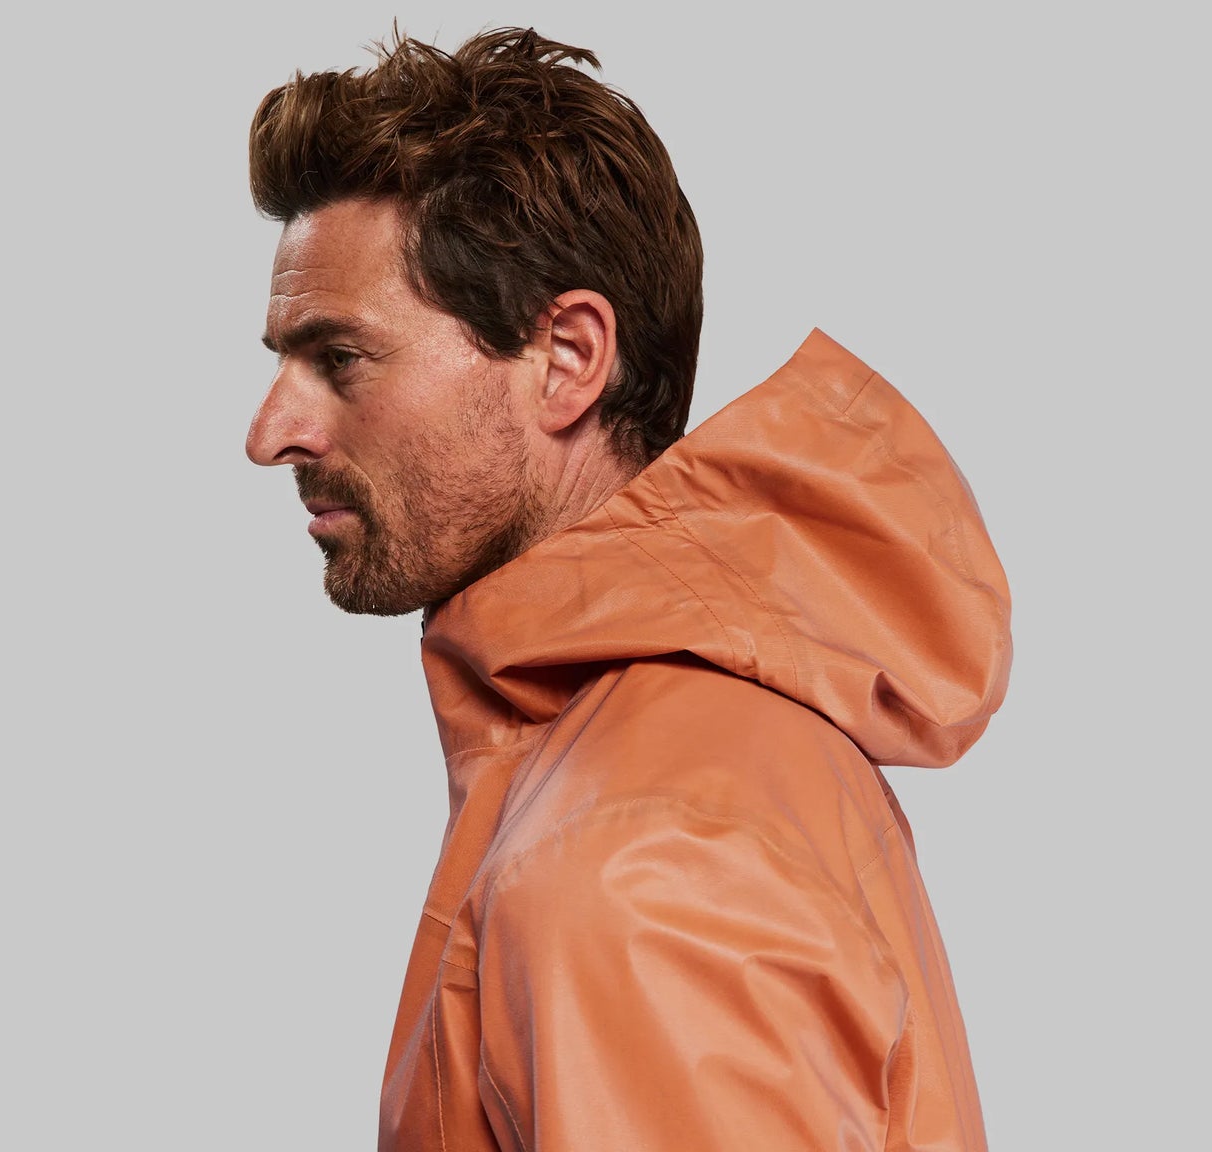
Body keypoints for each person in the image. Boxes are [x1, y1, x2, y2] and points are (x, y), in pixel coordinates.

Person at [244, 27, 1012, 1152]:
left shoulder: (642, 849)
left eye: (339, 359)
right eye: (279, 363)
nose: (271, 431)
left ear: (566, 358)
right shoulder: (678, 756)